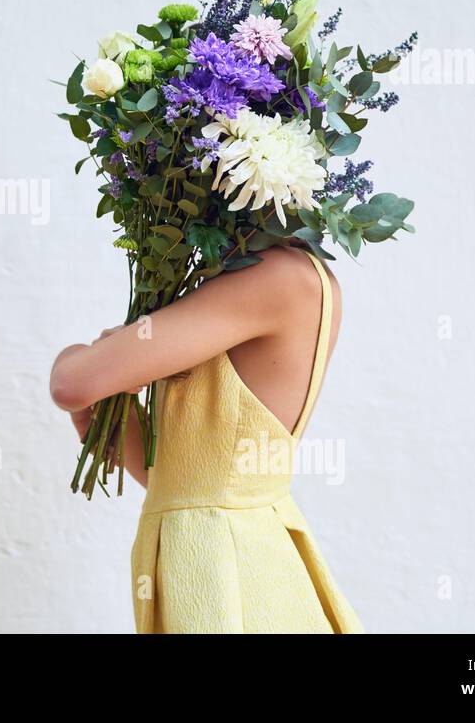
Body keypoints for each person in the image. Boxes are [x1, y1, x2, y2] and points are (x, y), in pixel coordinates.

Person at [49, 242, 364, 633]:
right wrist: (116, 409)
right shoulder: (279, 275)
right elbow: (181, 481)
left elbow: (71, 384)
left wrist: (79, 355)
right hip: (223, 556)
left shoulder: (277, 276)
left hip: (222, 572)